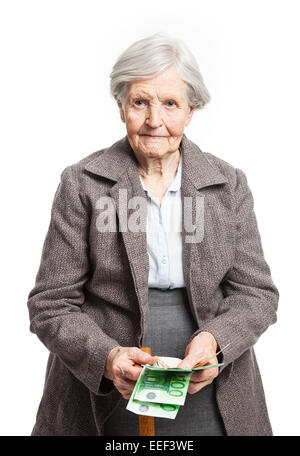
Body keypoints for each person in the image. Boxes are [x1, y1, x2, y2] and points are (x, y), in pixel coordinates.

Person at [27, 33, 279, 436]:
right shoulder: (82, 184)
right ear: (121, 107)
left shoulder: (228, 184)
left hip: (212, 382)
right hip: (104, 390)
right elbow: (50, 305)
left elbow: (257, 294)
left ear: (191, 110)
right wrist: (107, 358)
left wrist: (215, 343)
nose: (154, 121)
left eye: (170, 103)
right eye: (140, 102)